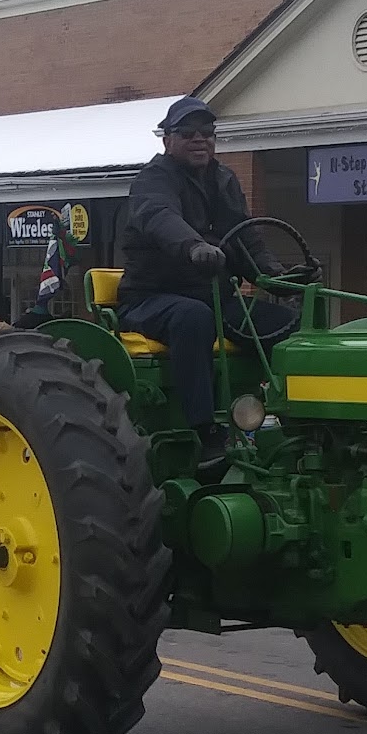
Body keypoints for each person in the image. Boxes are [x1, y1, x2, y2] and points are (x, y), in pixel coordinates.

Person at [117, 96, 296, 466]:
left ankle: (291, 419)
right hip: (152, 299)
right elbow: (158, 216)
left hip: (215, 297)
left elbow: (245, 238)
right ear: (167, 139)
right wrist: (193, 246)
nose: (200, 140)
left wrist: (279, 277)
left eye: (207, 133)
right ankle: (205, 433)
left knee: (289, 324)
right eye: (188, 133)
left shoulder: (223, 178)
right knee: (193, 317)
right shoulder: (154, 179)